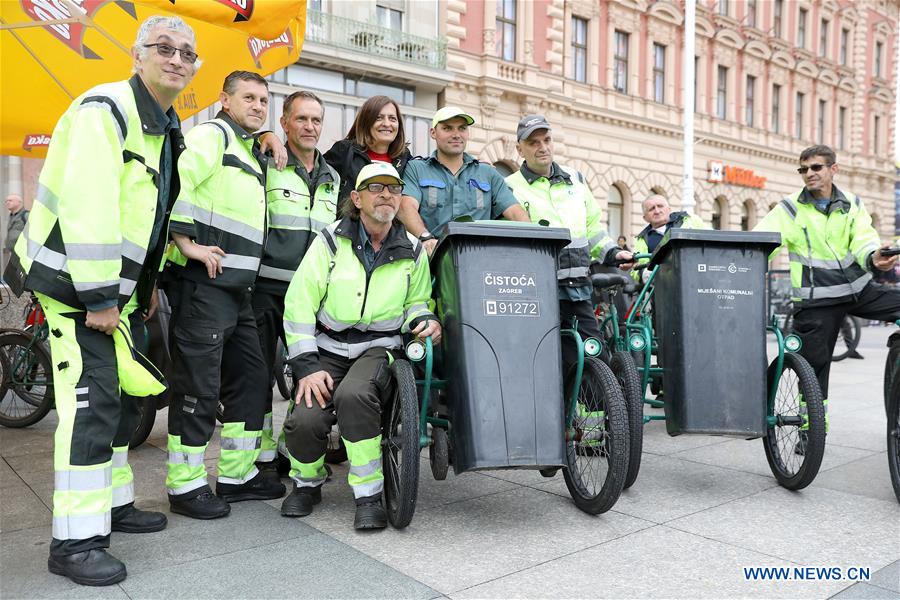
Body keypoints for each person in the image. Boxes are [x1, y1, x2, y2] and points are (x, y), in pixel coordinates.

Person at [5, 15, 199, 587]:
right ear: (138, 55)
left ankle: (113, 506)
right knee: (89, 410)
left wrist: (144, 289)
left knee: (112, 404)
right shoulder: (106, 110)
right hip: (77, 288)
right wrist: (99, 297)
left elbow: (147, 218)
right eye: (165, 48)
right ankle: (76, 542)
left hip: (116, 293)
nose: (177, 59)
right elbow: (89, 208)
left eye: (187, 53)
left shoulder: (162, 125)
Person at [280, 162, 440, 529]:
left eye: (394, 188)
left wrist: (425, 321)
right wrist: (306, 366)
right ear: (356, 198)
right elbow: (299, 302)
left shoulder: (413, 250)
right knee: (306, 415)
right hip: (328, 346)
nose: (386, 194)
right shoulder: (330, 240)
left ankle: (368, 495)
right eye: (375, 188)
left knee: (354, 395)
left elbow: (417, 302)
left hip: (379, 347)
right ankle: (306, 484)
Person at [163, 71, 285, 520]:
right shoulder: (212, 135)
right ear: (225, 100)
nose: (257, 105)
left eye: (263, 100)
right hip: (205, 286)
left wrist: (267, 137)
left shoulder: (246, 148)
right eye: (248, 97)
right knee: (198, 387)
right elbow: (180, 182)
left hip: (238, 290)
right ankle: (185, 485)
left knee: (251, 378)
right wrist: (185, 242)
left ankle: (236, 476)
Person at [755, 144, 899, 449]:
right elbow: (761, 242)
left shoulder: (852, 204)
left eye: (816, 167)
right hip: (816, 300)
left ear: (834, 169)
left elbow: (864, 238)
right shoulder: (789, 209)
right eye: (803, 169)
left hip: (858, 289)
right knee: (814, 368)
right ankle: (810, 432)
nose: (809, 173)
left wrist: (874, 257)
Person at [253, 90, 339, 477]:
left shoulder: (333, 178)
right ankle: (260, 456)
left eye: (316, 120)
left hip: (311, 297)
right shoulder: (267, 162)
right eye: (301, 118)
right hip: (266, 289)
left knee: (308, 372)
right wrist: (264, 137)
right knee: (257, 377)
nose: (309, 126)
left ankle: (293, 449)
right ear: (284, 122)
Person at [504, 114, 633, 371]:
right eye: (533, 142)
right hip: (535, 292)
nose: (543, 147)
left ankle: (592, 398)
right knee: (544, 362)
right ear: (519, 149)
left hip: (577, 288)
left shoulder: (575, 178)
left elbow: (592, 228)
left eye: (547, 140)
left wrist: (613, 252)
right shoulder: (509, 186)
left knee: (595, 356)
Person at [398, 106, 530, 255]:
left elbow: (515, 212)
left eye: (462, 128)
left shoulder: (488, 173)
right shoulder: (416, 169)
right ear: (433, 133)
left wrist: (535, 241)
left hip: (480, 258)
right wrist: (425, 238)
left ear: (468, 133)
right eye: (447, 128)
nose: (456, 135)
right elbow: (406, 208)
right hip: (432, 258)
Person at [323, 95, 412, 211]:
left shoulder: (406, 160)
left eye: (392, 119)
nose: (387, 124)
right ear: (366, 122)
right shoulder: (344, 151)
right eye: (379, 118)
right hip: (349, 222)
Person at [4, 194, 28, 266]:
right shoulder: (11, 216)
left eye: (10, 200)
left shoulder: (26, 215)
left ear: (19, 202)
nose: (7, 202)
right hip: (13, 253)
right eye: (6, 201)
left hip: (24, 253)